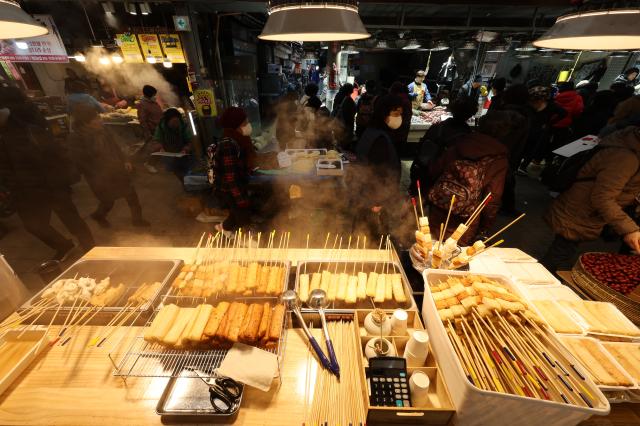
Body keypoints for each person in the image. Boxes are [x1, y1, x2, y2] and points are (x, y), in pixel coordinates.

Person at [0, 87, 95, 260]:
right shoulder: (26, 120)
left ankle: (88, 248)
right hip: (36, 186)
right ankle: (72, 247)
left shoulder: (22, 125)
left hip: (41, 185)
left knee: (61, 219)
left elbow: (46, 153)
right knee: (40, 224)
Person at [542, 126, 640, 273]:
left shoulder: (630, 146)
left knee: (562, 252)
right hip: (580, 210)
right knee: (559, 256)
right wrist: (629, 230)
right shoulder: (625, 158)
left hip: (587, 212)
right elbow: (602, 197)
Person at [427, 111, 510, 246]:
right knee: (453, 255)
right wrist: (485, 227)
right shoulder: (498, 159)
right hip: (467, 218)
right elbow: (493, 197)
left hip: (440, 205)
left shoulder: (459, 144)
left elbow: (434, 170)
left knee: (431, 247)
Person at [69, 104, 149, 228]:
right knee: (108, 201)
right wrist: (100, 174)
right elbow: (82, 162)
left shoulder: (102, 130)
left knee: (132, 196)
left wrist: (125, 160)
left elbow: (115, 147)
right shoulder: (76, 139)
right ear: (85, 123)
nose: (100, 120)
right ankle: (98, 216)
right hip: (100, 177)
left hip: (117, 169)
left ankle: (137, 220)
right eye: (96, 119)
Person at [354, 95, 403, 237]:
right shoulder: (380, 139)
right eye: (396, 113)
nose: (399, 117)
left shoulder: (372, 131)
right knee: (372, 235)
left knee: (365, 232)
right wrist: (377, 202)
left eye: (401, 114)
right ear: (384, 113)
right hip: (373, 198)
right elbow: (376, 173)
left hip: (365, 195)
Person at [410, 95, 478, 195]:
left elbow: (420, 148)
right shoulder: (467, 136)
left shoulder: (437, 126)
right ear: (471, 114)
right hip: (443, 182)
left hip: (424, 173)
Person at [491, 85, 531, 215]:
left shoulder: (498, 112)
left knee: (494, 181)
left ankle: (495, 207)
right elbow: (521, 142)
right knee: (506, 180)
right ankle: (505, 207)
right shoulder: (525, 117)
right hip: (510, 154)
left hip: (494, 151)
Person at [214, 107, 253, 235]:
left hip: (236, 185)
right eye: (245, 123)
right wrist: (240, 198)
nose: (248, 125)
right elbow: (231, 177)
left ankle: (223, 228)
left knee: (235, 211)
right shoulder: (228, 145)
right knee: (242, 214)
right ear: (236, 126)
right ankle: (246, 239)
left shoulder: (238, 139)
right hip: (231, 188)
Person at [519, 85, 567, 174]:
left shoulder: (552, 106)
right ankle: (517, 164)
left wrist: (550, 123)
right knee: (523, 145)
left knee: (533, 148)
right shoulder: (529, 103)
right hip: (528, 127)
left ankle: (523, 166)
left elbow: (564, 113)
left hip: (540, 130)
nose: (535, 101)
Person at [153, 108, 193, 181]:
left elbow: (190, 141)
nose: (175, 125)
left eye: (177, 122)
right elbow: (157, 141)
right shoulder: (161, 127)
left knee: (185, 174)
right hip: (168, 155)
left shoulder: (183, 126)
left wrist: (185, 149)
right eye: (173, 122)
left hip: (182, 154)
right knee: (171, 176)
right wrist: (160, 148)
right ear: (167, 121)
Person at [136, 85, 164, 174]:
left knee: (160, 147)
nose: (155, 96)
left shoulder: (153, 102)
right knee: (156, 148)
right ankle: (149, 163)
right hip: (153, 130)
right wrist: (147, 133)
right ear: (149, 95)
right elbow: (142, 120)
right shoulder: (142, 105)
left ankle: (153, 163)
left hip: (160, 128)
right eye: (154, 95)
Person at [550, 81, 584, 153]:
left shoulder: (557, 96)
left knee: (547, 140)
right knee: (558, 142)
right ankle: (550, 159)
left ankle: (539, 158)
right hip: (565, 125)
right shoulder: (578, 98)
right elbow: (578, 111)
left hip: (552, 121)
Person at [389, 82, 413, 155]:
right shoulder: (406, 99)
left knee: (394, 152)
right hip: (403, 131)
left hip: (397, 132)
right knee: (398, 152)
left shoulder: (399, 100)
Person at [332, 83, 356, 148]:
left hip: (337, 121)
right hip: (344, 124)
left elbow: (334, 107)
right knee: (344, 143)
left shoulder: (338, 95)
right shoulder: (348, 100)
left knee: (338, 140)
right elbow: (350, 113)